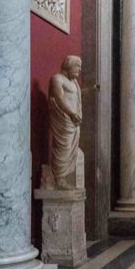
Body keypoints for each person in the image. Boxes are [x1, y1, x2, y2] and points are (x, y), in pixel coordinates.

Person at [49, 55, 83, 188]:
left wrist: (91, 90)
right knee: (64, 147)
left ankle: (64, 178)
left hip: (74, 121)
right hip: (65, 121)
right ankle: (59, 179)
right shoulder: (57, 79)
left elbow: (74, 96)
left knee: (71, 149)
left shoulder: (73, 82)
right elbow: (59, 98)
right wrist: (71, 113)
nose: (79, 71)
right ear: (70, 66)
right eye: (77, 67)